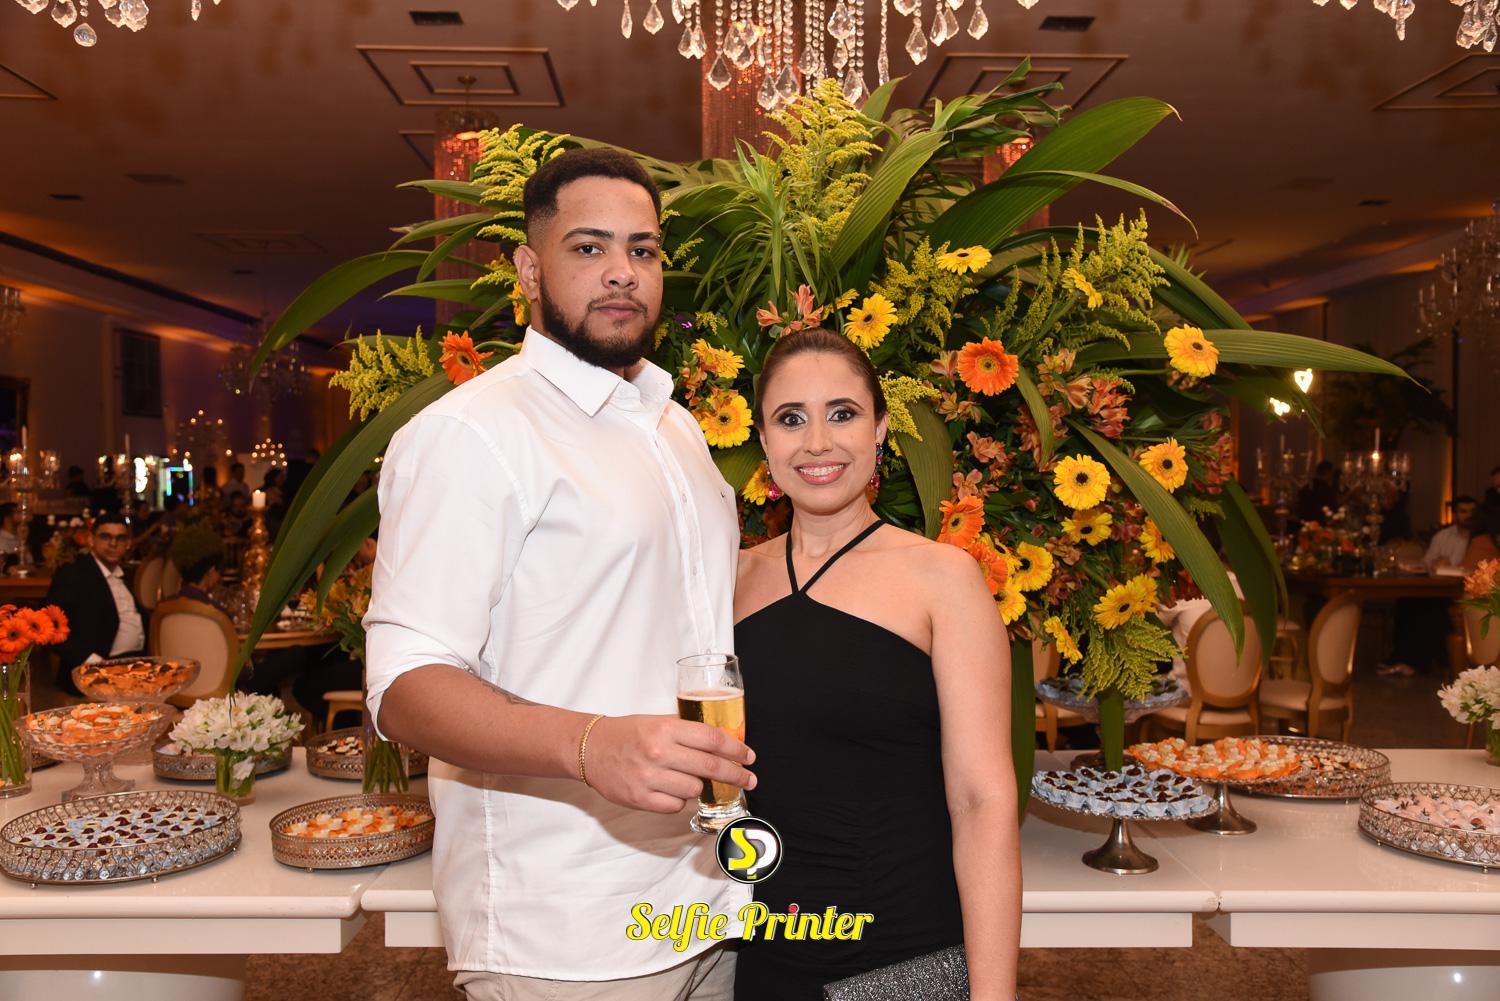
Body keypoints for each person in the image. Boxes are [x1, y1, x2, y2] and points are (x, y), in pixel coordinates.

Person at [363, 147, 755, 1000]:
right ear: (529, 269)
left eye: (643, 249)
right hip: (563, 928)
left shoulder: (676, 426)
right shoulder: (473, 433)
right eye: (588, 247)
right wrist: (588, 743)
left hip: (705, 898)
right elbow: (404, 686)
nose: (622, 272)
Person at [732, 327, 1020, 1000]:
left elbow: (982, 802)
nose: (818, 442)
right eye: (791, 419)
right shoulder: (729, 578)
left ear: (881, 428)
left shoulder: (943, 577)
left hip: (902, 961)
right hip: (764, 955)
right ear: (764, 441)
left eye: (842, 413)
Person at [43, 512, 147, 695]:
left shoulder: (125, 576)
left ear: (128, 543)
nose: (113, 543)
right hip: (92, 676)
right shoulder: (73, 574)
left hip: (133, 671)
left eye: (120, 538)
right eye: (106, 537)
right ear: (91, 540)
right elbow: (50, 628)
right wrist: (95, 663)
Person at [168, 526, 231, 618]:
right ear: (211, 571)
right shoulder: (218, 614)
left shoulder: (163, 610)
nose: (219, 578)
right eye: (219, 573)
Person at [1425, 496, 1477, 571]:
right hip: (1442, 577)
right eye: (1463, 511)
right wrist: (1435, 562)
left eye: (1473, 511)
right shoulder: (1442, 536)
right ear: (1454, 515)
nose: (1469, 515)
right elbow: (1427, 561)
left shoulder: (1482, 539)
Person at [1295, 460, 1341, 525]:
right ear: (1328, 472)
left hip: (1304, 525)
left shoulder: (1305, 488)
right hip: (1322, 526)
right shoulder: (1327, 490)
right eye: (1331, 473)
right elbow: (1334, 510)